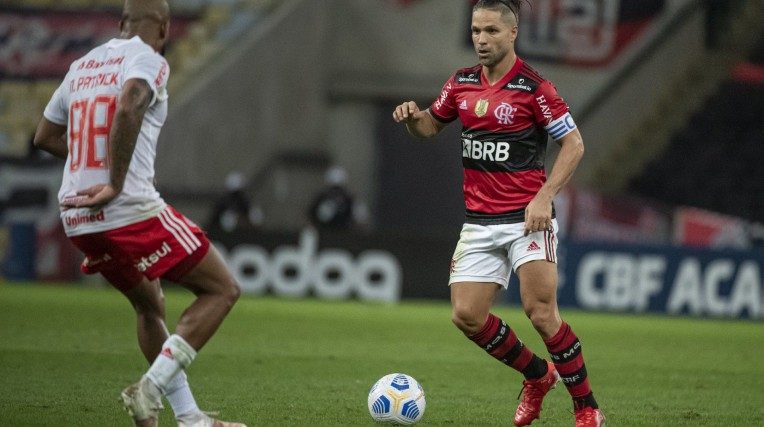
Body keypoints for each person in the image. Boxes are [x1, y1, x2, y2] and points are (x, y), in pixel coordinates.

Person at [33, 1, 245, 426]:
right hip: (127, 208)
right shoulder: (148, 60)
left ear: (120, 24)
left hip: (77, 215)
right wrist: (113, 181)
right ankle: (150, 389)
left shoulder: (82, 66)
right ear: (164, 27)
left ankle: (189, 418)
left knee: (149, 305)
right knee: (222, 289)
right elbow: (130, 104)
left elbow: (44, 136)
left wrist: (94, 168)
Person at [392, 1, 604, 426]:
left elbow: (574, 144)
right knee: (466, 315)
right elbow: (432, 126)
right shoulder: (461, 83)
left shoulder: (534, 88)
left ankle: (587, 409)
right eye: (475, 31)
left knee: (541, 312)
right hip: (479, 221)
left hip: (528, 219)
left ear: (512, 34)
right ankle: (537, 376)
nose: (481, 40)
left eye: (491, 30)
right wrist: (413, 119)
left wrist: (544, 197)